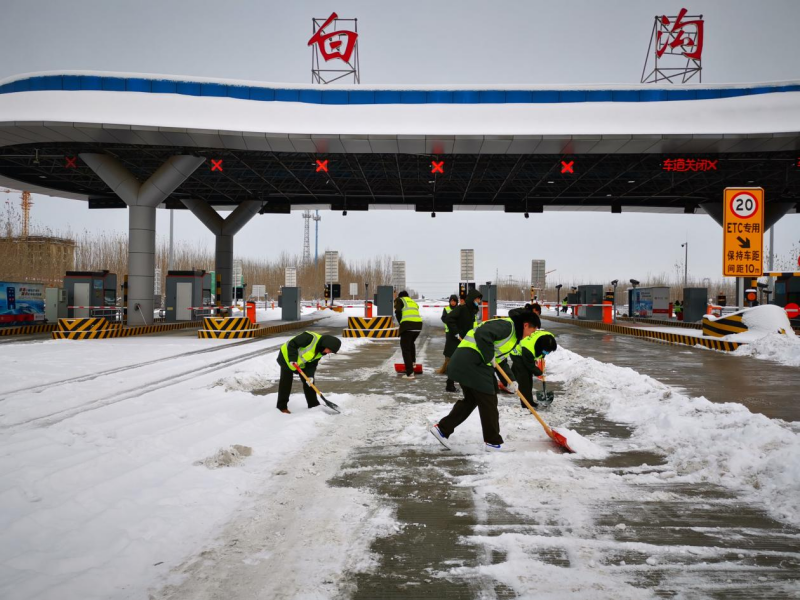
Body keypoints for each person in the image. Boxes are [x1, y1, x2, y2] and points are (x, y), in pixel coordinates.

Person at [430, 311, 541, 452]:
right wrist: (489, 356)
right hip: (472, 361)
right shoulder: (508, 326)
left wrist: (511, 380)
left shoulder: (513, 336)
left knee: (472, 399)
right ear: (526, 325)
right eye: (533, 330)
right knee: (489, 398)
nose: (531, 334)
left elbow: (500, 360)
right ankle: (493, 442)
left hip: (470, 362)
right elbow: (483, 333)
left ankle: (442, 429)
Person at [276, 331, 341, 414]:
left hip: (301, 363)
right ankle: (282, 407)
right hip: (286, 357)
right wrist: (292, 359)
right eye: (330, 350)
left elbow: (312, 364)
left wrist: (310, 375)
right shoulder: (309, 338)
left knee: (310, 383)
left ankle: (313, 405)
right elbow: (292, 344)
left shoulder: (321, 351)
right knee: (286, 382)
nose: (329, 352)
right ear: (326, 344)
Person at [443, 289, 483, 392]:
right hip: (455, 339)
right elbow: (449, 319)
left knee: (464, 362)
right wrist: (456, 332)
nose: (478, 301)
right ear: (472, 299)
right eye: (477, 299)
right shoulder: (462, 308)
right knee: (454, 362)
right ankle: (450, 385)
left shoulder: (472, 310)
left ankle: (465, 385)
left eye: (479, 299)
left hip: (465, 340)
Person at [511, 324, 558, 409]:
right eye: (545, 351)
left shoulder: (549, 337)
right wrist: (539, 372)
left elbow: (542, 352)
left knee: (527, 377)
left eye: (548, 352)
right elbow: (529, 365)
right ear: (540, 347)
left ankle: (529, 400)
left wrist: (542, 356)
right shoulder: (528, 349)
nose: (547, 353)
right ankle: (526, 404)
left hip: (528, 353)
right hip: (517, 354)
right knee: (525, 380)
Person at [394, 290, 423, 379]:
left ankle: (410, 373)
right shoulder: (412, 302)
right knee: (411, 344)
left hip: (408, 326)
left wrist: (400, 322)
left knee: (405, 348)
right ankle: (413, 363)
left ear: (400, 296)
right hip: (418, 326)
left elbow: (398, 311)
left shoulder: (400, 300)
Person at [438, 294, 460, 378]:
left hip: (457, 332)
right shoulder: (446, 309)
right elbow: (443, 318)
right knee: (449, 349)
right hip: (449, 332)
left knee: (457, 349)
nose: (453, 302)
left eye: (454, 301)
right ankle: (447, 367)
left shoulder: (459, 309)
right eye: (451, 301)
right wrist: (450, 322)